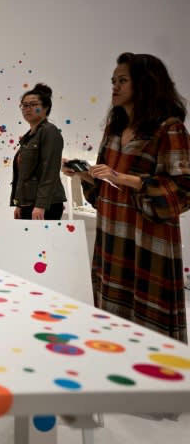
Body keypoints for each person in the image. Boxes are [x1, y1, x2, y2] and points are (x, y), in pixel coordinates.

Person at [63, 52, 189, 344]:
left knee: (152, 333)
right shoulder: (114, 130)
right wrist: (82, 174)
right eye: (113, 81)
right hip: (112, 236)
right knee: (113, 324)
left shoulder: (169, 128)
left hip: (148, 237)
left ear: (145, 83)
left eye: (122, 81)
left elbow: (183, 190)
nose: (114, 87)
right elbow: (104, 187)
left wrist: (124, 178)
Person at [10, 83, 67, 220]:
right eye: (24, 105)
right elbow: (24, 175)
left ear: (46, 107)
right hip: (29, 203)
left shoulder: (49, 131)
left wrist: (41, 205)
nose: (27, 109)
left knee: (41, 242)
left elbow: (50, 171)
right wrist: (19, 203)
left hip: (44, 205)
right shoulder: (29, 136)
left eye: (33, 105)